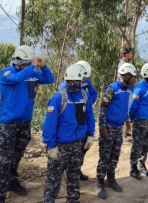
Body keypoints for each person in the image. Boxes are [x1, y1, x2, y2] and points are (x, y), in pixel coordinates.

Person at [0, 45, 54, 202]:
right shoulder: (6, 73)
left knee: (17, 154)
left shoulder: (32, 74)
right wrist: (33, 66)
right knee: (4, 159)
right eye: (27, 63)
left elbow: (50, 79)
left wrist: (43, 67)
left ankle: (12, 181)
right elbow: (17, 78)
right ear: (19, 61)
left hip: (24, 122)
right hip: (8, 124)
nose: (30, 66)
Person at [42, 65, 95, 203]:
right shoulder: (58, 98)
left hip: (78, 144)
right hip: (61, 145)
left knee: (74, 176)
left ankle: (73, 199)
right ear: (65, 80)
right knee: (54, 178)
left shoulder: (85, 96)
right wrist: (51, 145)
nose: (72, 84)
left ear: (80, 81)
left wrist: (90, 134)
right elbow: (49, 124)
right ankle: (48, 200)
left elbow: (89, 116)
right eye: (69, 81)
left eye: (75, 82)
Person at [95, 63, 136, 199]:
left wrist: (127, 122)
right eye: (132, 77)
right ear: (126, 75)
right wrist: (103, 127)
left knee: (115, 154)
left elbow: (124, 108)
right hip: (109, 127)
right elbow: (102, 108)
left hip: (119, 128)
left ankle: (110, 178)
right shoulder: (112, 89)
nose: (134, 79)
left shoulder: (127, 90)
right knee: (105, 156)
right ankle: (100, 182)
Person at [57, 60, 97, 181]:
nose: (84, 79)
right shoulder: (64, 88)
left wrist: (88, 103)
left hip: (82, 123)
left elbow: (93, 94)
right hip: (68, 129)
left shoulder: (85, 83)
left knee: (81, 151)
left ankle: (76, 170)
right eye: (83, 77)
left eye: (85, 78)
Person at [128, 63, 148, 180]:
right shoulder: (139, 88)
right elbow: (132, 106)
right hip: (139, 121)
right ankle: (133, 168)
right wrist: (131, 119)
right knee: (137, 145)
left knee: (146, 144)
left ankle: (142, 164)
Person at [118, 48, 134, 142]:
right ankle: (122, 134)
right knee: (124, 110)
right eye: (130, 53)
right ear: (126, 54)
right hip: (125, 91)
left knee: (127, 110)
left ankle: (126, 131)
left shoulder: (127, 63)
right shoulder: (122, 65)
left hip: (128, 90)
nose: (131, 55)